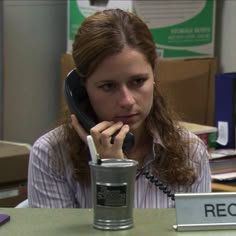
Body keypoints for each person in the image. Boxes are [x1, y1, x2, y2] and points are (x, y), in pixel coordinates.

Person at [28, 8, 211, 208]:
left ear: (153, 75)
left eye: (138, 81)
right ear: (82, 88)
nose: (127, 100)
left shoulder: (190, 152)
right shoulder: (51, 155)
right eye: (108, 86)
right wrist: (113, 172)